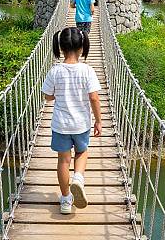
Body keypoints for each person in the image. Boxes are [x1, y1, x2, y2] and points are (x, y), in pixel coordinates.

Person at [41, 27, 102, 214]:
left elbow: (47, 97)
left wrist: (58, 93)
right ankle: (78, 179)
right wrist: (98, 121)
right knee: (82, 152)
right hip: (81, 124)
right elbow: (94, 98)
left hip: (61, 125)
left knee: (63, 161)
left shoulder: (55, 71)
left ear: (60, 47)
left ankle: (66, 200)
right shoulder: (87, 70)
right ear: (82, 47)